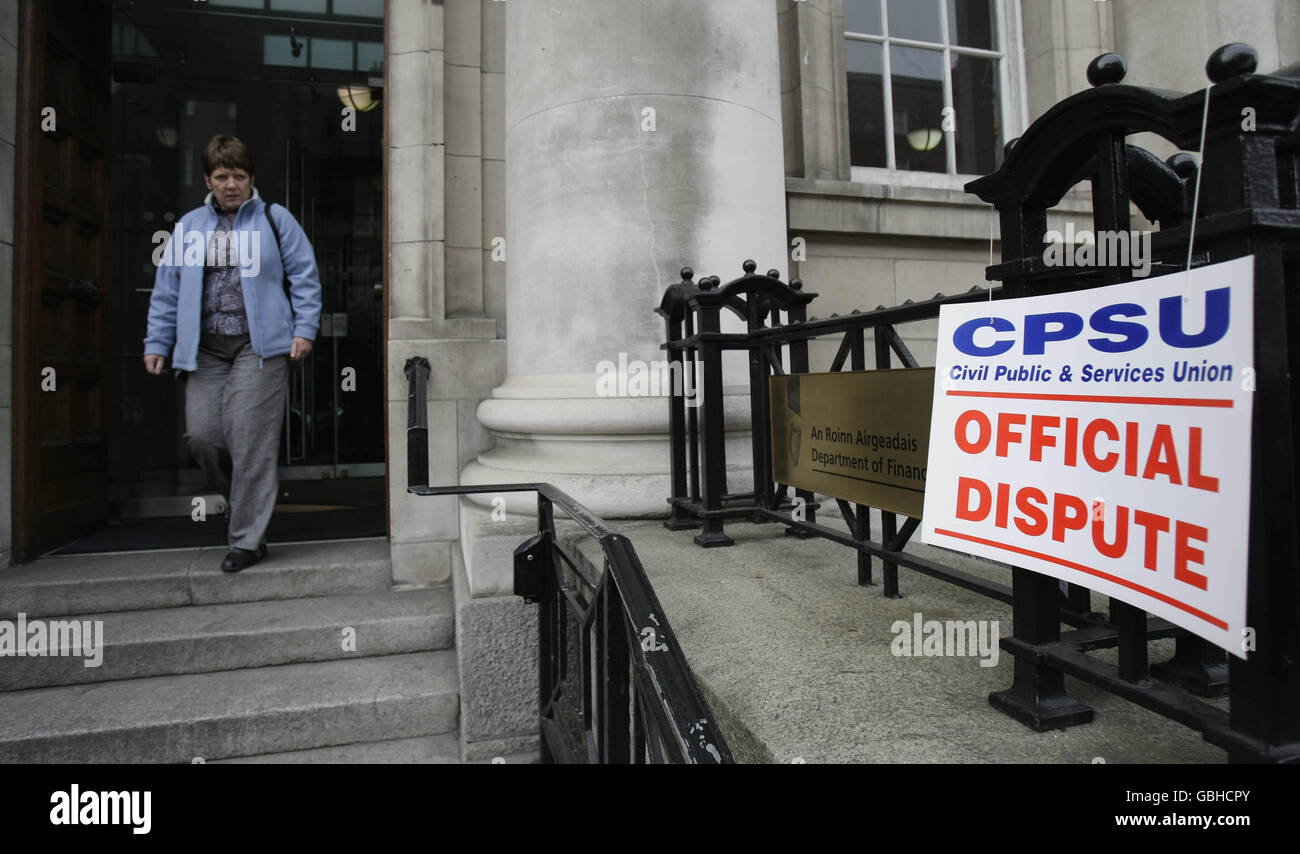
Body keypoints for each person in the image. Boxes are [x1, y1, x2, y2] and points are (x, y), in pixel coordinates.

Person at [143, 135, 322, 572]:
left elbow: (304, 275)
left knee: (250, 443)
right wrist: (157, 342)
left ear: (251, 179)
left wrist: (304, 329)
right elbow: (168, 289)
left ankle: (247, 539)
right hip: (204, 351)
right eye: (222, 176)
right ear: (207, 179)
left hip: (256, 349)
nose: (231, 184)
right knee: (204, 438)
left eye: (239, 176)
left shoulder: (275, 219)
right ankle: (246, 505)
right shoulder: (188, 227)